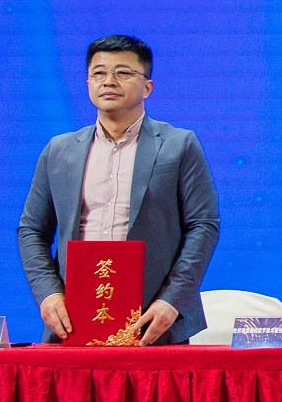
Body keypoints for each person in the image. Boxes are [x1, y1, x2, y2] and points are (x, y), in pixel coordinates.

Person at [17, 35, 220, 344]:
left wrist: (172, 301)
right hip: (74, 319)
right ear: (88, 83)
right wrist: (48, 293)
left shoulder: (179, 145)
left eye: (123, 72)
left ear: (147, 87)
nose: (109, 81)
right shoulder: (59, 150)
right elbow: (32, 230)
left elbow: (203, 226)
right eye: (99, 73)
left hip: (152, 319)